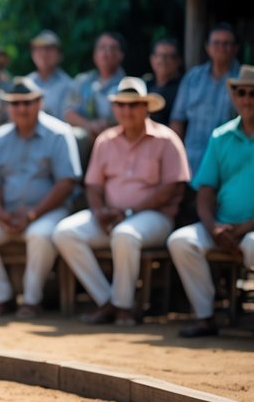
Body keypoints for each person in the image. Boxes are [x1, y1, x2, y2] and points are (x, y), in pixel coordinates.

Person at [53, 77, 189, 327]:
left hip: (155, 218)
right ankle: (108, 301)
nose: (127, 110)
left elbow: (170, 189)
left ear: (146, 107)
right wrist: (98, 212)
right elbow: (93, 186)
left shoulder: (167, 139)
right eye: (121, 105)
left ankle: (123, 306)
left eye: (133, 104)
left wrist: (129, 212)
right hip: (113, 217)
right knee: (65, 232)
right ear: (114, 108)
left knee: (125, 235)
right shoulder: (105, 140)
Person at [0, 78, 81, 318]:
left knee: (40, 236)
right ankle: (2, 297)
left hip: (48, 211)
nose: (21, 108)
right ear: (8, 107)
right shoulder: (0, 136)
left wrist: (34, 213)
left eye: (27, 103)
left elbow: (66, 183)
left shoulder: (59, 133)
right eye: (15, 103)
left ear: (39, 103)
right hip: (8, 213)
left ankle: (31, 300)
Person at [167, 65, 254, 339]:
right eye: (241, 92)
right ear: (234, 96)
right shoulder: (220, 136)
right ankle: (205, 317)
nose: (247, 99)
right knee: (181, 241)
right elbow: (206, 189)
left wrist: (252, 223)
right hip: (222, 226)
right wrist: (213, 227)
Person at [170, 23, 241, 174]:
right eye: (216, 43)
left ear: (236, 48)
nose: (221, 48)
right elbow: (177, 120)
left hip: (230, 161)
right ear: (207, 47)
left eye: (226, 43)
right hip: (192, 161)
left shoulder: (244, 81)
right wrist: (175, 160)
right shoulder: (193, 77)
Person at [63, 31, 127, 159]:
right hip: (86, 137)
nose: (106, 53)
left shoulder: (127, 85)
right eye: (102, 48)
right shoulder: (82, 81)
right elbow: (69, 113)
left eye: (112, 48)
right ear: (95, 54)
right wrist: (89, 125)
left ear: (121, 55)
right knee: (73, 137)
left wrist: (108, 127)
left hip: (116, 138)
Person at [25, 30, 74, 119]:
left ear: (59, 54)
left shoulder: (68, 85)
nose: (43, 54)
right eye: (39, 49)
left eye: (49, 49)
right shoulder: (26, 82)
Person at [145, 37, 183, 127]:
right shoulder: (145, 85)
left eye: (170, 56)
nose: (163, 60)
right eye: (160, 55)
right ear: (152, 59)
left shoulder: (184, 87)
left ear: (178, 61)